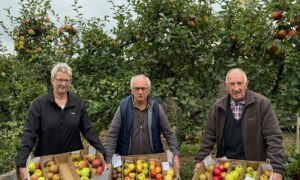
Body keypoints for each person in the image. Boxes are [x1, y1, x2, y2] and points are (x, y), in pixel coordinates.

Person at [16, 63, 106, 180]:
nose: (63, 84)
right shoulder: (39, 105)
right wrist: (22, 162)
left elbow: (89, 131)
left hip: (73, 162)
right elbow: (29, 134)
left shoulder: (77, 104)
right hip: (47, 163)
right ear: (52, 80)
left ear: (70, 81)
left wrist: (103, 153)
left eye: (66, 80)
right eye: (60, 80)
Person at [195, 68, 285, 180]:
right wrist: (200, 160)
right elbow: (208, 138)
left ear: (246, 84)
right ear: (226, 85)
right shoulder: (218, 107)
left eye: (239, 83)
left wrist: (277, 169)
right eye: (232, 84)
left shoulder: (262, 104)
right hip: (225, 167)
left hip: (254, 167)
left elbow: (273, 137)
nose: (236, 88)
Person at [105, 74, 180, 169]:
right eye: (137, 88)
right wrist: (108, 159)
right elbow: (112, 134)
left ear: (148, 90)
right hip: (127, 161)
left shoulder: (156, 107)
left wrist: (176, 155)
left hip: (153, 161)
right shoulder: (123, 107)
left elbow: (168, 133)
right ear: (132, 90)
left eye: (143, 88)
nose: (140, 92)